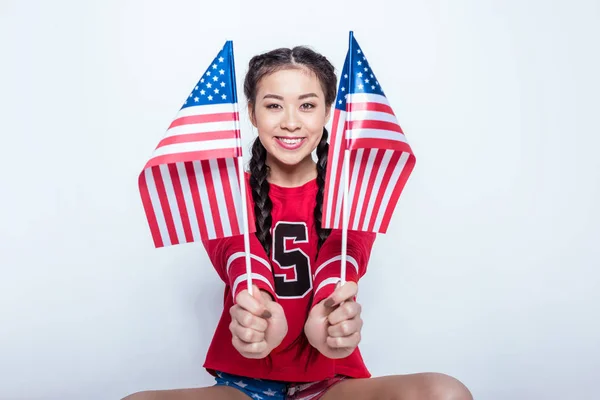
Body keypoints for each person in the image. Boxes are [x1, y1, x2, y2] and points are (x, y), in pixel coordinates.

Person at [123, 46, 472, 400]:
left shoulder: (354, 187)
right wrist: (255, 301)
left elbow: (348, 252)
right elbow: (235, 252)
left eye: (307, 105)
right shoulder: (221, 190)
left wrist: (329, 309)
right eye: (274, 105)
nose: (290, 121)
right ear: (252, 114)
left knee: (444, 393)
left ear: (328, 113)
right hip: (246, 384)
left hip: (330, 381)